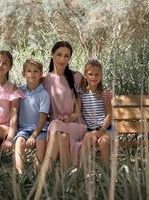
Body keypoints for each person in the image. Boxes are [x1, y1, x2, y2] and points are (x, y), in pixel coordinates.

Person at [35, 41, 87, 199]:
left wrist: (71, 116)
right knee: (61, 134)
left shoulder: (77, 77)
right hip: (57, 127)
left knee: (56, 125)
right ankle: (67, 180)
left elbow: (82, 102)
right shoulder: (44, 79)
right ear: (52, 55)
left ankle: (45, 171)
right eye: (59, 54)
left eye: (66, 56)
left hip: (76, 124)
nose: (62, 59)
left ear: (70, 58)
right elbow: (27, 91)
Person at [14, 58, 50, 175]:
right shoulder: (20, 91)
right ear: (23, 73)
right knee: (19, 142)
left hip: (40, 130)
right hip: (23, 130)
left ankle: (37, 174)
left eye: (36, 71)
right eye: (29, 71)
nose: (32, 74)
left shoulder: (43, 94)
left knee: (41, 143)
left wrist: (34, 136)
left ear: (41, 74)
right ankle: (20, 175)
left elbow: (43, 118)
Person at [80, 59, 114, 170]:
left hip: (106, 128)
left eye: (96, 74)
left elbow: (109, 114)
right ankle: (85, 171)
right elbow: (79, 112)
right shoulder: (81, 93)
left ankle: (106, 171)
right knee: (87, 139)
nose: (93, 77)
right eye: (90, 74)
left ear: (101, 76)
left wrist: (101, 130)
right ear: (85, 75)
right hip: (90, 129)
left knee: (102, 142)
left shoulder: (104, 93)